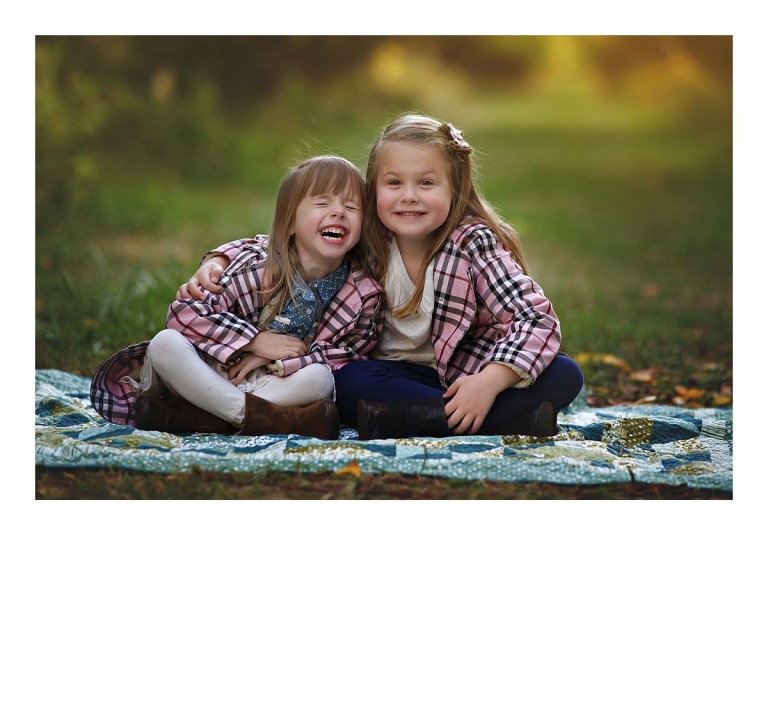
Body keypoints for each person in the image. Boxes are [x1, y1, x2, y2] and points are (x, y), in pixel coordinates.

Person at [182, 114, 584, 440]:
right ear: (373, 190)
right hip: (387, 374)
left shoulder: (471, 243)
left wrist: (489, 383)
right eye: (394, 183)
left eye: (426, 183)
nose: (409, 195)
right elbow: (287, 239)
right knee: (352, 381)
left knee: (565, 373)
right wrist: (217, 258)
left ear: (455, 187)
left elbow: (536, 318)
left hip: (466, 373)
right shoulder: (365, 238)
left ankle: (426, 419)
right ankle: (495, 422)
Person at [90, 155, 384, 439]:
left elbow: (349, 355)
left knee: (319, 379)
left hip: (267, 382)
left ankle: (206, 415)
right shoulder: (258, 266)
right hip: (205, 371)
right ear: (290, 222)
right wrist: (256, 341)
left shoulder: (362, 294)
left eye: (351, 206)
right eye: (322, 203)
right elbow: (184, 314)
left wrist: (280, 359)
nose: (338, 212)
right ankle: (245, 416)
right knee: (165, 344)